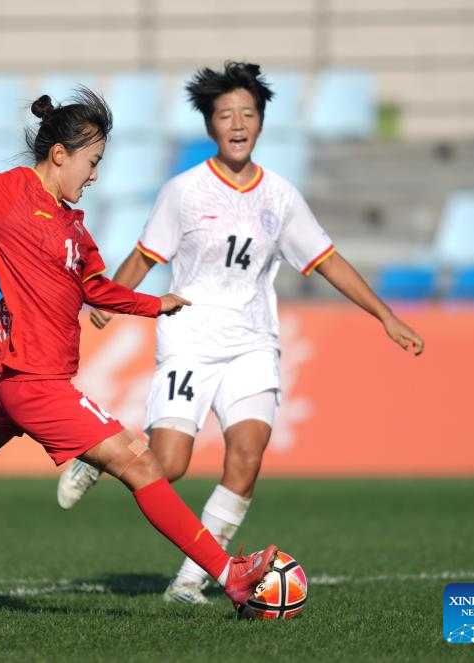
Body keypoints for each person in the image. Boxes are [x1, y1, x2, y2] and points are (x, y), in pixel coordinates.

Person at [0, 60, 279, 617]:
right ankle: (230, 576)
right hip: (35, 382)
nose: (95, 176)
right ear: (60, 154)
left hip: (16, 378)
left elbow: (96, 289)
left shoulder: (73, 225)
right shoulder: (8, 194)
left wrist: (155, 304)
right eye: (92, 161)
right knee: (140, 463)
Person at [56, 61, 425, 605]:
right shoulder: (184, 191)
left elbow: (326, 259)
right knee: (169, 465)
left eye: (247, 113)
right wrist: (110, 300)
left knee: (246, 460)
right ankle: (98, 459)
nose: (237, 123)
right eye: (225, 113)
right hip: (190, 340)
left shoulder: (280, 196)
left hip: (253, 344)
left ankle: (189, 581)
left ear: (260, 123)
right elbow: (145, 254)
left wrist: (385, 314)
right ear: (210, 125)